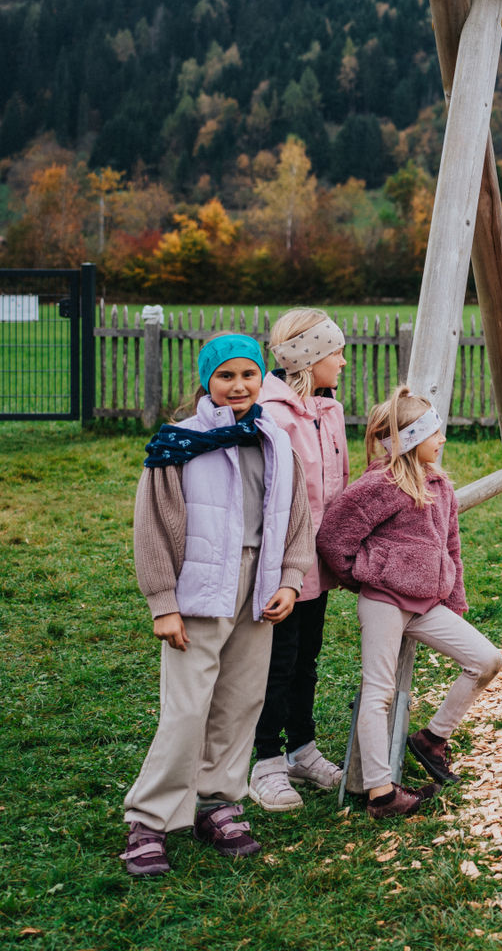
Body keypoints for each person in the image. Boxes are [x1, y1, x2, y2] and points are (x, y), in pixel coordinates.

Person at [122, 335, 314, 877]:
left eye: (248, 374)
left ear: (261, 379)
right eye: (225, 376)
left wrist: (290, 580)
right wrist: (163, 602)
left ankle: (218, 802)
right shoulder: (179, 444)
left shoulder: (276, 441)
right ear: (207, 380)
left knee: (240, 702)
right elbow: (152, 527)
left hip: (258, 589)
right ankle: (150, 820)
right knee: (187, 709)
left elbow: (297, 518)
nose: (238, 386)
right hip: (199, 590)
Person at [317, 387, 502, 819]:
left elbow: (452, 548)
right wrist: (366, 575)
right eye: (434, 433)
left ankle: (432, 740)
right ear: (410, 439)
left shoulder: (440, 484)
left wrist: (454, 602)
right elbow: (333, 538)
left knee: (486, 659)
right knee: (378, 694)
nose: (442, 439)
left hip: (427, 605)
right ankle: (381, 793)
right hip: (384, 601)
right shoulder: (377, 485)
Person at [248, 309, 351, 812]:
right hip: (280, 564)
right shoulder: (271, 417)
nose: (343, 362)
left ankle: (302, 750)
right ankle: (265, 761)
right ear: (310, 359)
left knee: (306, 658)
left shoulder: (329, 410)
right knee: (277, 663)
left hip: (318, 563)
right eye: (337, 352)